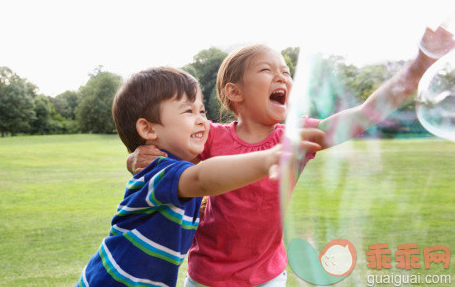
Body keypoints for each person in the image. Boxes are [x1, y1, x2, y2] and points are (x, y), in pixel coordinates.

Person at [128, 26, 455, 286]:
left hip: (267, 276)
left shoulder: (296, 139)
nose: (282, 77)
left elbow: (366, 112)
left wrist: (420, 64)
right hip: (208, 277)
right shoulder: (210, 137)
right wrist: (135, 159)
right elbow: (162, 156)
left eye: (286, 72)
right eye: (267, 70)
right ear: (234, 92)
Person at [77, 66, 323, 287]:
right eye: (188, 111)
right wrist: (269, 158)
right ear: (148, 129)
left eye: (202, 111)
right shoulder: (161, 171)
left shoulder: (170, 170)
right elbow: (202, 178)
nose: (202, 121)